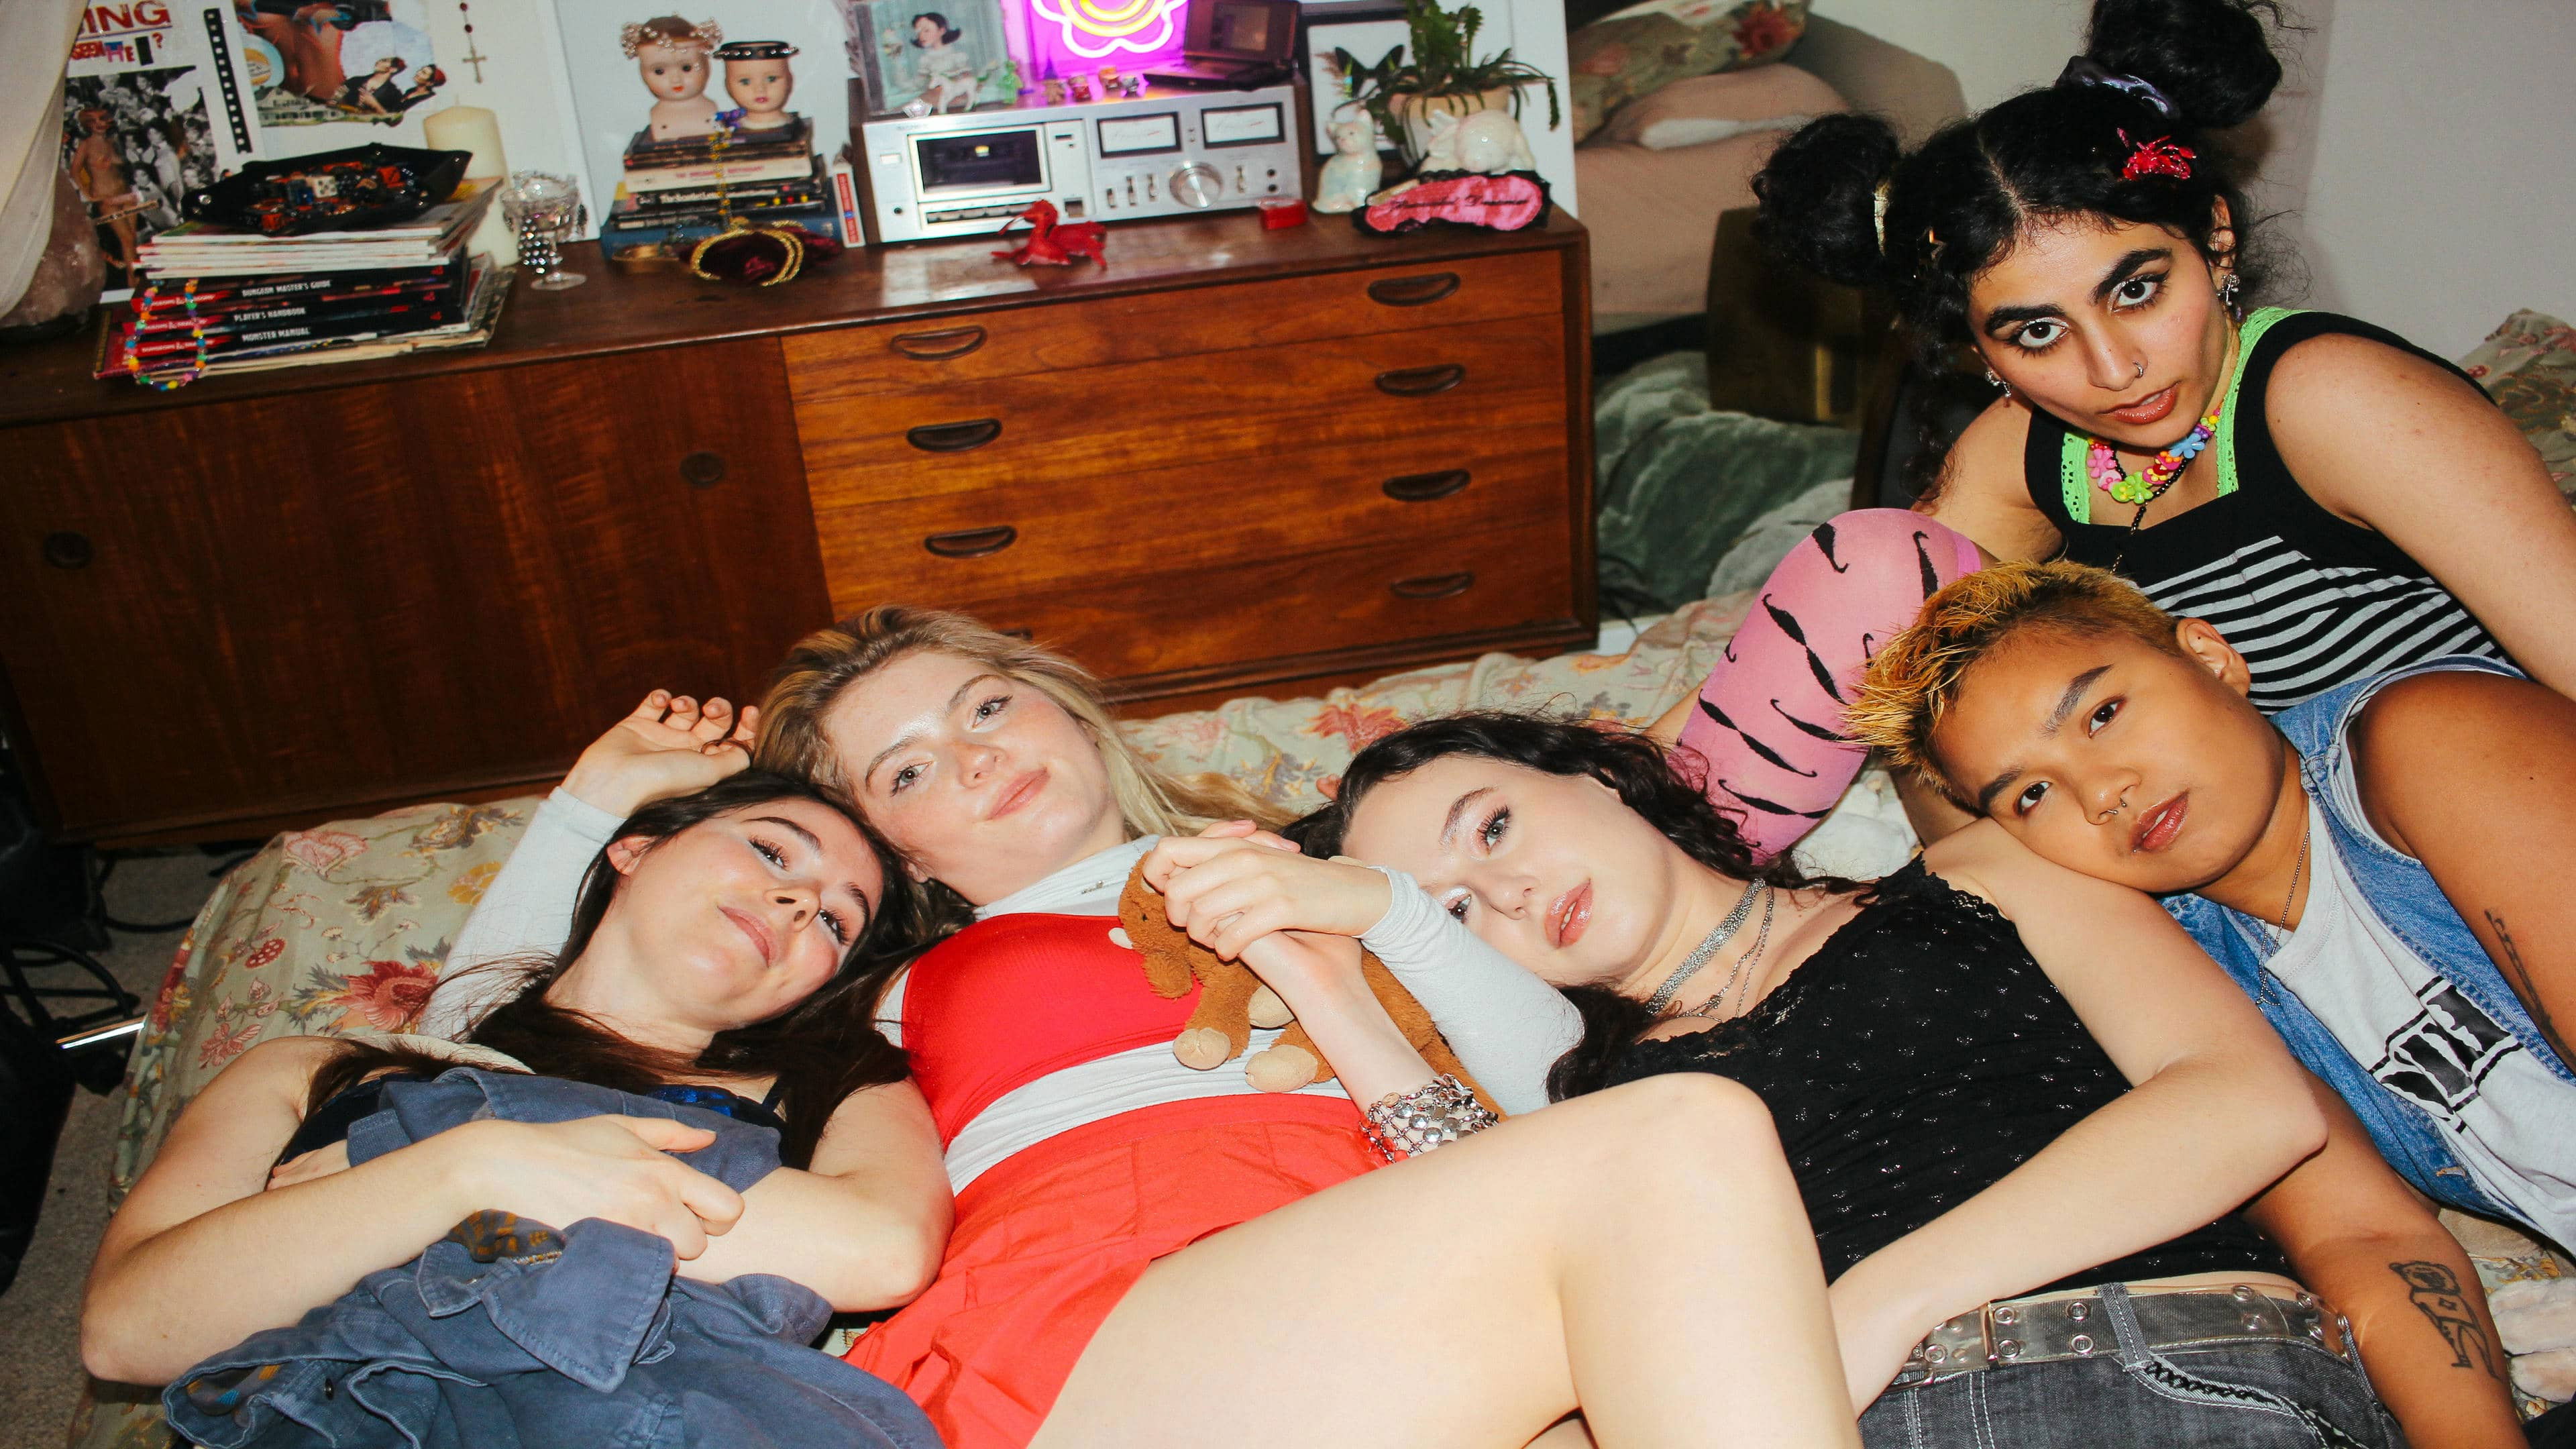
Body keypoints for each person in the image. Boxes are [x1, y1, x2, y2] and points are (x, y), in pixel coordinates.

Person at [427, 629, 1867, 1449]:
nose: (978, 756)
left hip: (1394, 1297)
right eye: (911, 771)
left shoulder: (1350, 862)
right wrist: (589, 808)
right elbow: (477, 1070)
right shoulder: (879, 991)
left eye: (989, 706)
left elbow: (1558, 1080)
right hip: (1096, 1334)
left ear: (1064, 706)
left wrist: (1369, 911)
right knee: (1686, 1136)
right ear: (900, 854)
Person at [1246, 710, 2522, 1446]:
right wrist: (1328, 987)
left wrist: (1875, 1307)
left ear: (1593, 774)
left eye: (1494, 826)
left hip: (2154, 1375)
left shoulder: (1976, 875)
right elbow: (1502, 1281)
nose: (1511, 891)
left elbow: (2243, 1107)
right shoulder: (1596, 1104)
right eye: (1455, 913)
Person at [1640, 0, 2576, 860]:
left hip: (2487, 837)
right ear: (1978, 353)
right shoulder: (2026, 452)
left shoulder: (2330, 397)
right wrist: (1634, 787)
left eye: (2136, 290)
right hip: (2241, 880)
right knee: (1900, 627)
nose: (2114, 367)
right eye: (2036, 333)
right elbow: (1826, 648)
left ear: (2215, 240)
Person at [82, 773, 953, 1445]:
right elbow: (128, 1329)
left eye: (837, 924)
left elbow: (879, 1249)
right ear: (637, 849)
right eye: (772, 851)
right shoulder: (310, 1068)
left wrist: (424, 1167)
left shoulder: (834, 1084)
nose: (803, 903)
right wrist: (469, 1170)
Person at [1847, 559, 2576, 1258]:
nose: (2100, 793)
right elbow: (2365, 1237)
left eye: (2102, 715)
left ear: (2210, 657)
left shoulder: (2435, 738)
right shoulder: (2188, 978)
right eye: (2031, 795)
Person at [909, 15, 976, 113]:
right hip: (932, 101)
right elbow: (918, 84)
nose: (922, 36)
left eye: (927, 30)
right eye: (919, 32)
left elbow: (967, 79)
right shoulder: (925, 60)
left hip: (954, 100)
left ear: (942, 30)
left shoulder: (957, 57)